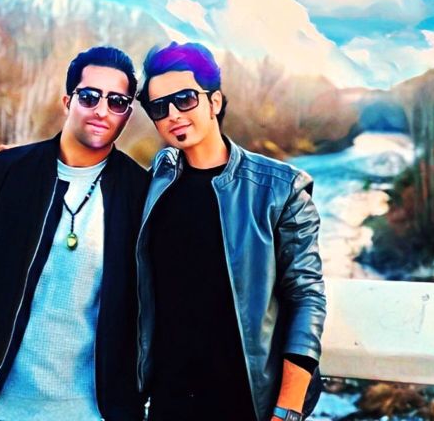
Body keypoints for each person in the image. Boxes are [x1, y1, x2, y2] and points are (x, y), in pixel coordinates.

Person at [0, 46, 149, 421]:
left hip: (96, 412)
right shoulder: (5, 173)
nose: (102, 110)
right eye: (89, 96)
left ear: (127, 114)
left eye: (117, 102)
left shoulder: (141, 193)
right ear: (67, 101)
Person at [135, 42, 326, 421]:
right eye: (160, 107)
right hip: (168, 403)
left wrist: (287, 410)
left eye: (185, 99)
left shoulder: (280, 189)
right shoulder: (154, 183)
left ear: (215, 101)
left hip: (247, 403)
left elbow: (306, 297)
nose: (173, 115)